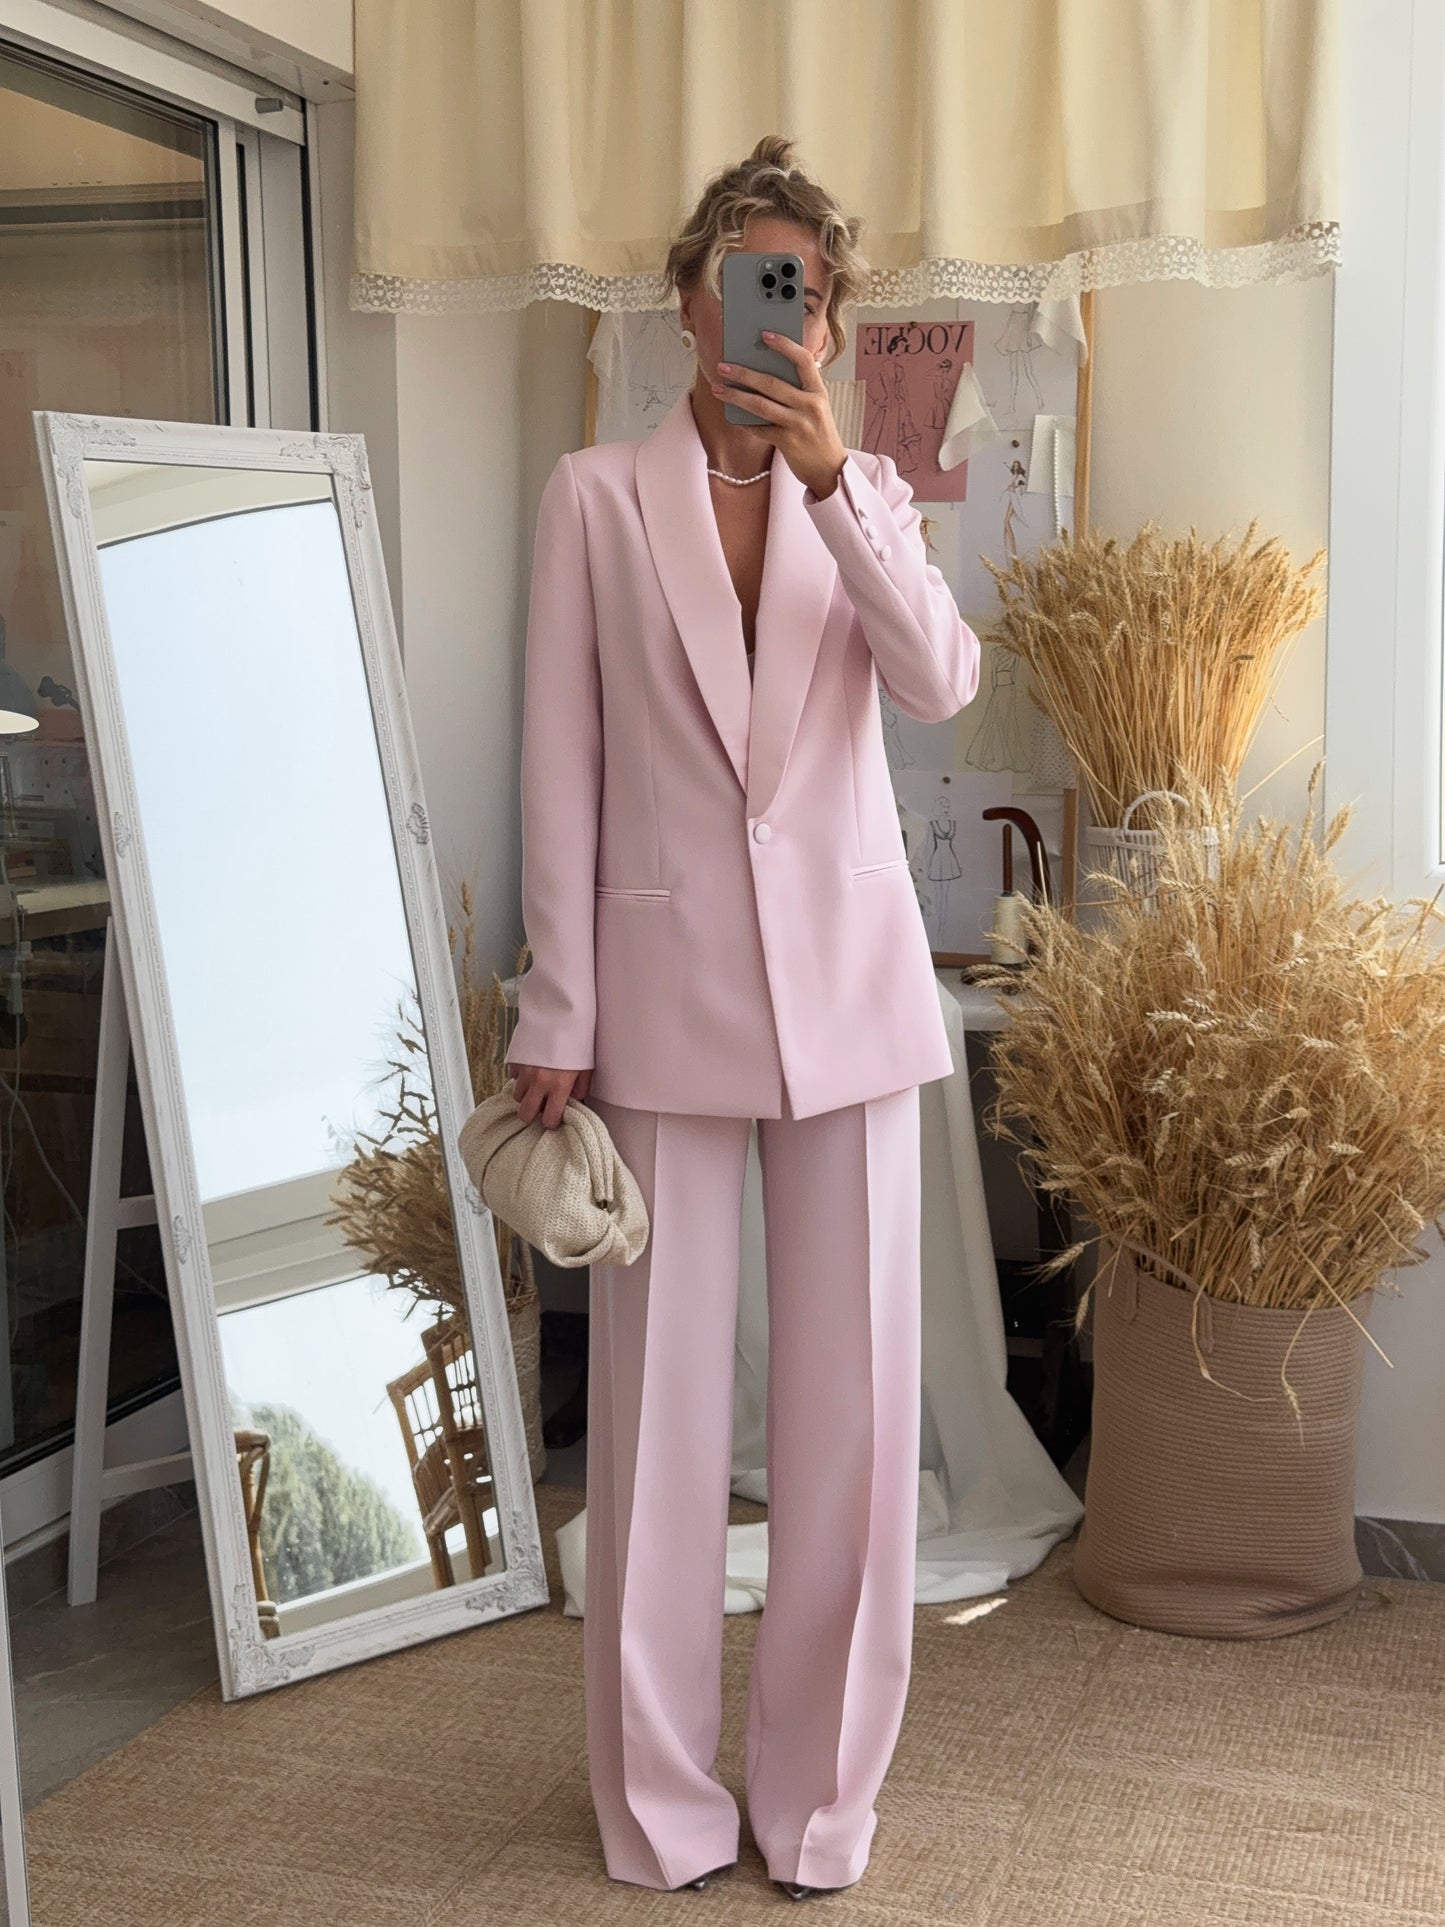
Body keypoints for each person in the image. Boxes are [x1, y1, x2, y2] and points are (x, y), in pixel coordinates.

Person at [504, 134, 981, 1900]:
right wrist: (556, 1002)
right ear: (689, 299)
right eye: (746, 279)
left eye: (807, 289)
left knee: (851, 1434)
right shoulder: (592, 498)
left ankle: (820, 1807)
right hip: (662, 1007)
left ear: (831, 321)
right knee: (652, 1438)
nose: (776, 312)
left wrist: (841, 482)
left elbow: (938, 681)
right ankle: (658, 1808)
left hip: (849, 1006)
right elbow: (561, 765)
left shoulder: (866, 495)